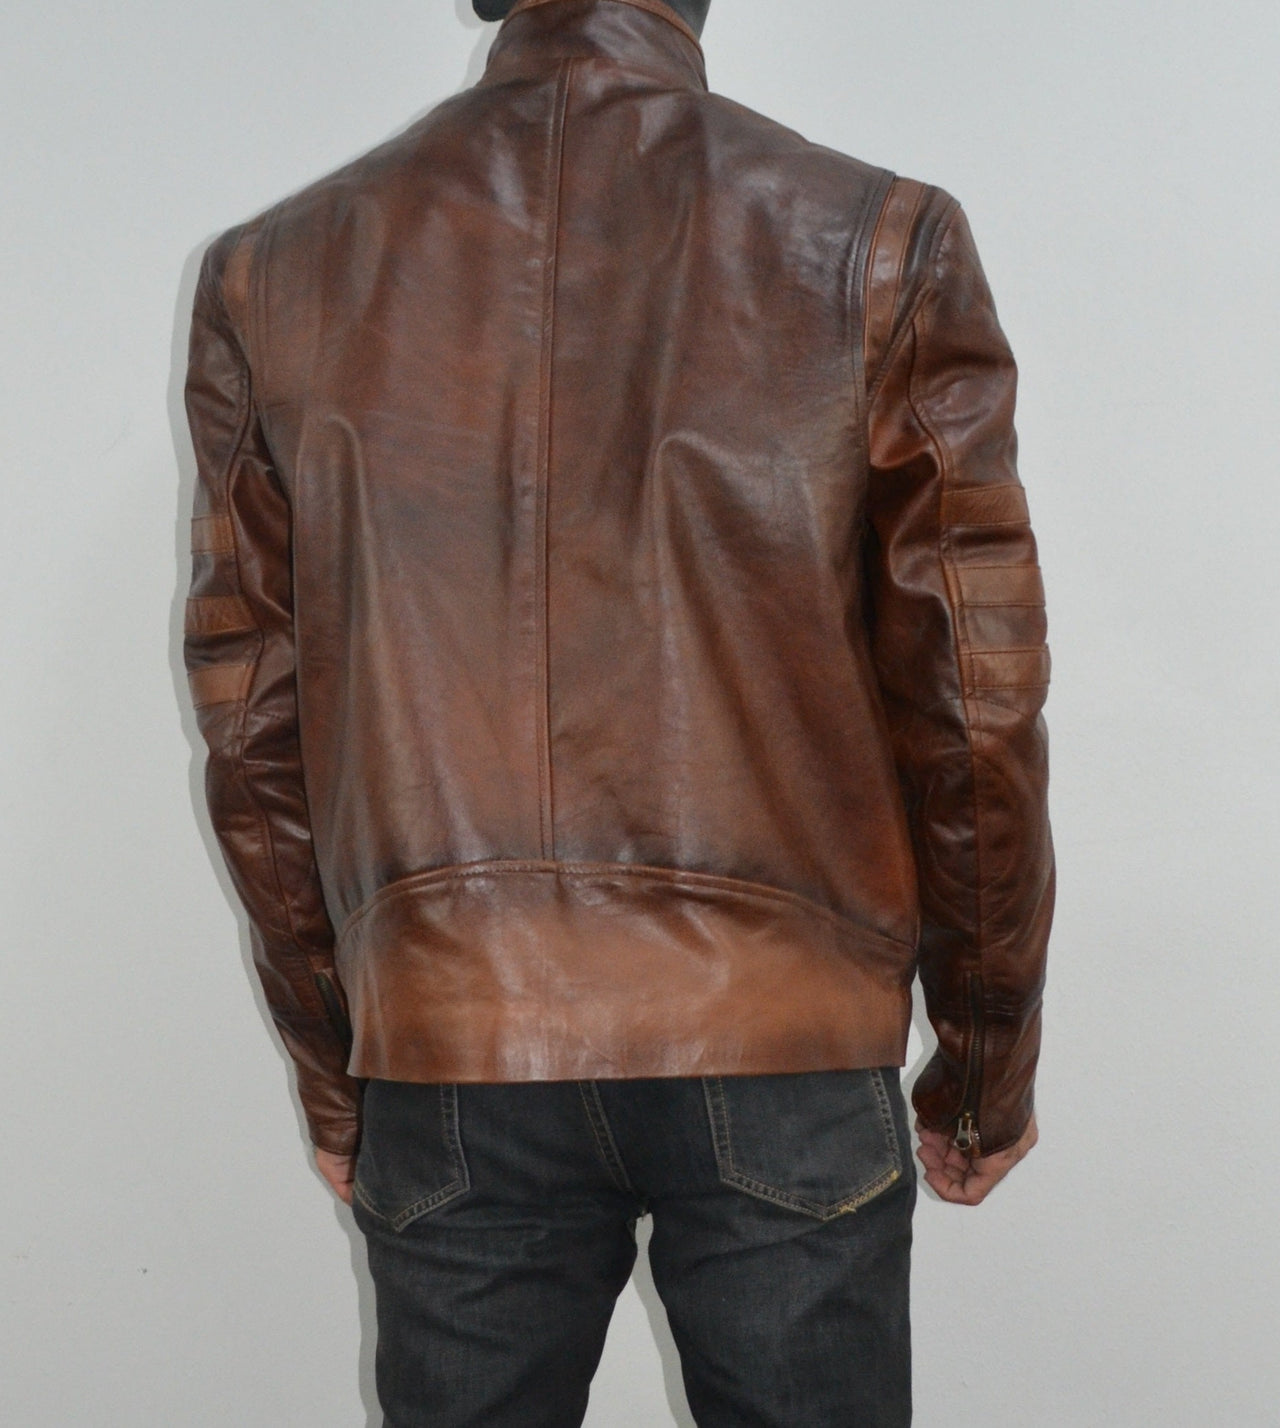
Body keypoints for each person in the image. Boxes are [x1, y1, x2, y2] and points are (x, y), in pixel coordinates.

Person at [180, 0, 1054, 1421]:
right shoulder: (876, 241)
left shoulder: (277, 271)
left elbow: (253, 727)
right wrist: (983, 1057)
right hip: (780, 1036)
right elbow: (973, 699)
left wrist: (343, 1069)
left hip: (453, 1037)